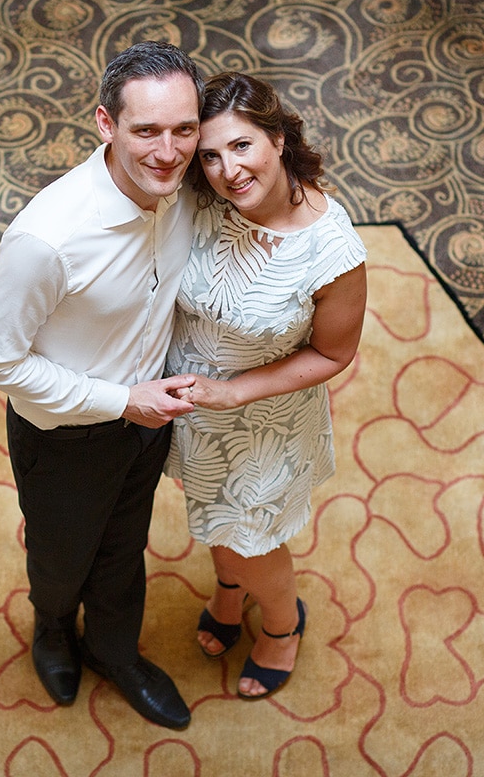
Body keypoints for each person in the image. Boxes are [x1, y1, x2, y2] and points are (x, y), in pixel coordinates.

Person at [0, 41, 204, 729]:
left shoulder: (187, 189)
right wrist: (122, 400)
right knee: (60, 554)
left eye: (184, 129)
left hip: (149, 419)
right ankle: (51, 627)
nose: (168, 152)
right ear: (106, 124)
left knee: (125, 544)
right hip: (65, 438)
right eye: (146, 131)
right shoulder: (48, 239)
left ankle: (112, 649)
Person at [164, 72, 368, 699]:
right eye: (211, 155)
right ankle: (230, 590)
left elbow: (335, 352)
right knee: (216, 524)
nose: (228, 170)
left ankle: (281, 625)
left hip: (266, 425)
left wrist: (237, 391)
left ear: (278, 139)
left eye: (243, 146)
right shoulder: (201, 200)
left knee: (254, 538)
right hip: (191, 411)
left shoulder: (333, 250)